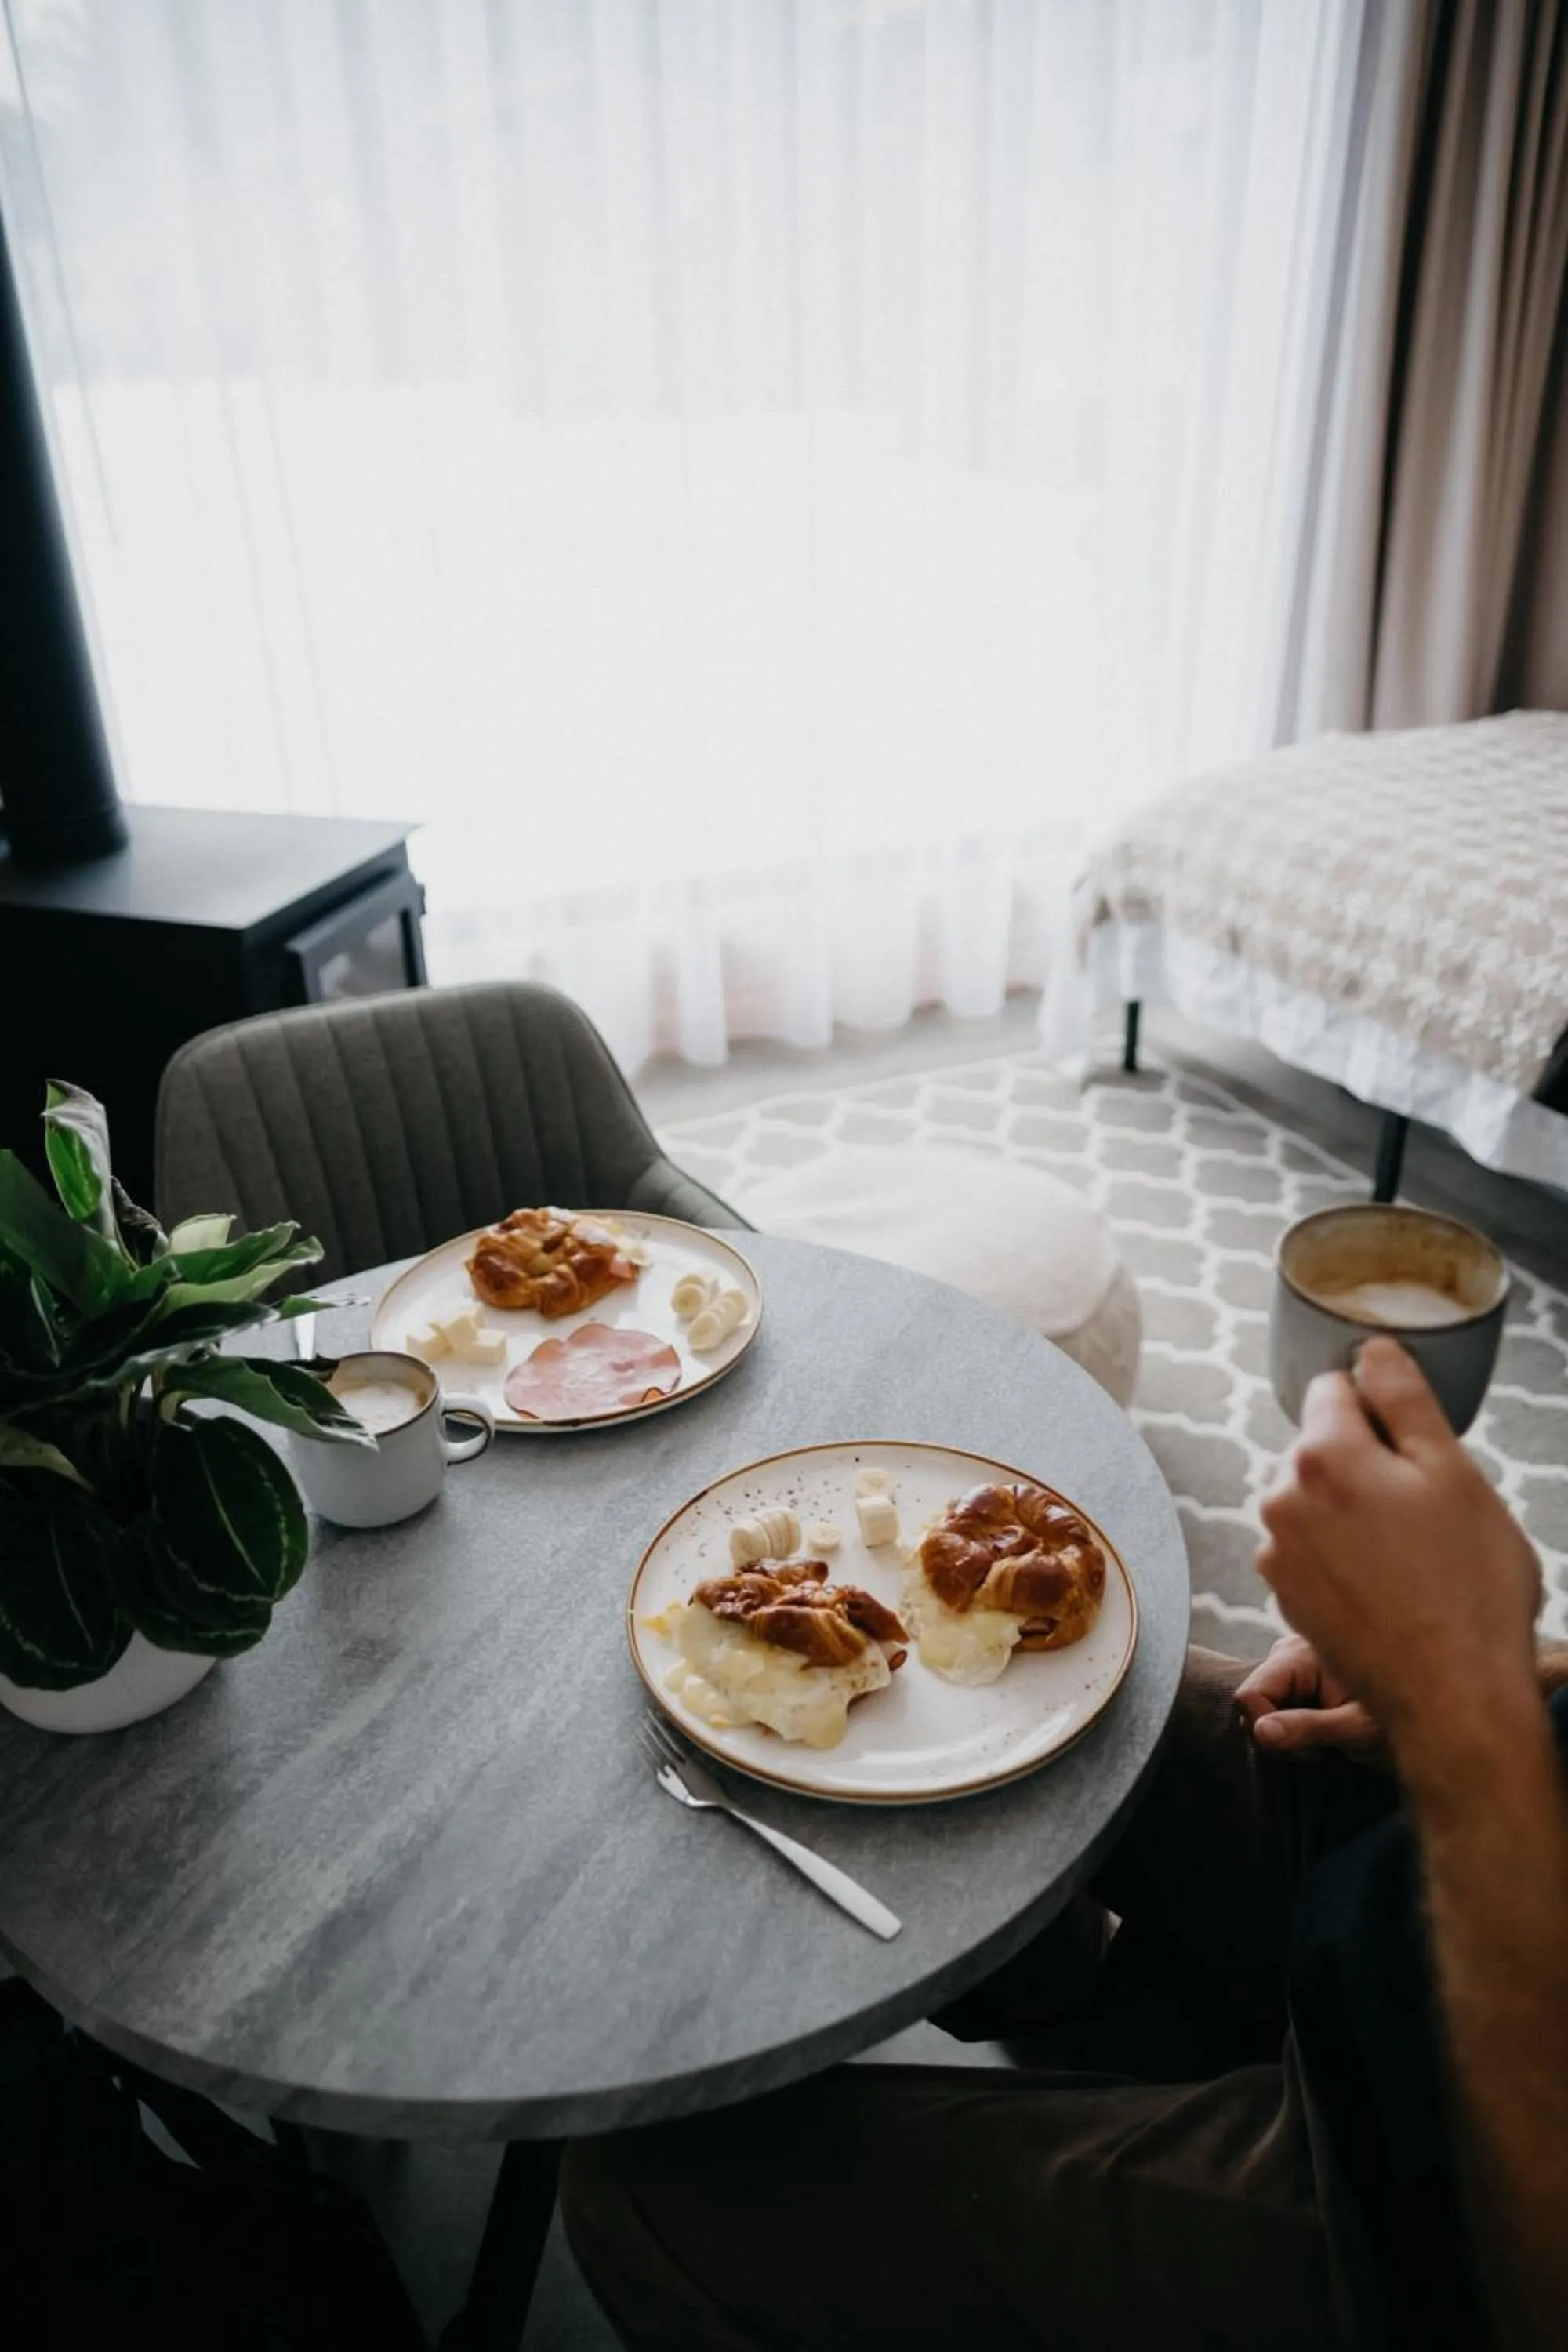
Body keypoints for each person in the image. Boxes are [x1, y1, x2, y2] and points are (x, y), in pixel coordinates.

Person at [561, 1339, 1568, 2350]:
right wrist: (1517, 1674)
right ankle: (1070, 2032)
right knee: (1053, 1741)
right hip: (1434, 1838)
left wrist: (1467, 1721)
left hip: (1433, 2185)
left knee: (634, 2193)